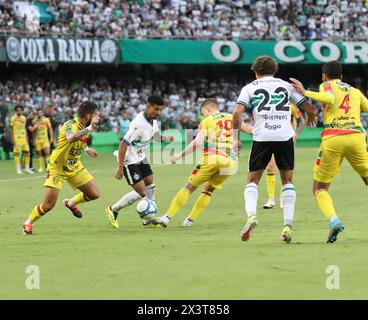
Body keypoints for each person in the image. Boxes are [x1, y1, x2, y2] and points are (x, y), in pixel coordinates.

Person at [232, 55, 316, 243]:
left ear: (256, 71)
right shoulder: (286, 86)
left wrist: (234, 138)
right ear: (275, 70)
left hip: (262, 136)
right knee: (287, 180)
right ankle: (287, 224)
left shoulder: (249, 88)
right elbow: (308, 108)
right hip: (284, 136)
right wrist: (311, 115)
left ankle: (252, 216)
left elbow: (237, 112)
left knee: (252, 180)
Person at [290, 61, 368, 243]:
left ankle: (334, 220)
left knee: (319, 188)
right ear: (341, 76)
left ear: (324, 75)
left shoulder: (326, 85)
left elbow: (330, 99)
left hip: (333, 138)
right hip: (356, 137)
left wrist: (305, 92)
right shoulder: (355, 91)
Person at [158, 98, 253, 227]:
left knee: (189, 187)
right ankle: (189, 221)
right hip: (231, 162)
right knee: (208, 190)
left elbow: (197, 142)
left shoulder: (207, 121)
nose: (203, 115)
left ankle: (167, 217)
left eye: (203, 113)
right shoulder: (232, 117)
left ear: (208, 109)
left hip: (213, 157)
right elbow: (251, 130)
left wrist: (179, 156)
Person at [22, 101, 101, 235]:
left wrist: (87, 149)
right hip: (57, 168)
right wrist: (90, 128)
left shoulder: (84, 126)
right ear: (88, 115)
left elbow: (79, 141)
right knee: (48, 205)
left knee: (94, 194)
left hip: (74, 166)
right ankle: (28, 223)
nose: (97, 117)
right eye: (95, 114)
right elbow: (70, 138)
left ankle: (70, 203)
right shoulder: (70, 125)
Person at [105, 96, 174, 228]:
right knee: (142, 192)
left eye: (160, 110)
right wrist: (120, 167)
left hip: (141, 157)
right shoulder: (139, 123)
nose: (158, 113)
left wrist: (165, 137)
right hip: (129, 160)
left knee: (151, 188)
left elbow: (156, 136)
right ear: (148, 106)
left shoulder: (153, 121)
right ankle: (113, 209)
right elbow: (123, 145)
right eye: (156, 109)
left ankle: (148, 219)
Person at [263, 103, 306, 209]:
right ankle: (271, 199)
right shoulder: (269, 105)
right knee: (270, 167)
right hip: (271, 139)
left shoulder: (291, 106)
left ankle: (284, 198)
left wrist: (295, 136)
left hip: (286, 141)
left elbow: (302, 121)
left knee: (286, 171)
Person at [10, 105, 33, 174]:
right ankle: (18, 168)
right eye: (18, 110)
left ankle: (26, 168)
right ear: (15, 111)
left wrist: (27, 137)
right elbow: (11, 129)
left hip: (23, 138)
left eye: (20, 110)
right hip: (17, 138)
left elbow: (24, 128)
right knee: (17, 153)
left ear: (22, 111)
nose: (19, 111)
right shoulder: (13, 118)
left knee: (27, 152)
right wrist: (12, 138)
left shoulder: (24, 118)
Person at [31, 109, 54, 173]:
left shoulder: (46, 120)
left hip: (45, 139)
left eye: (40, 113)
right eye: (38, 113)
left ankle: (48, 167)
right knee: (39, 154)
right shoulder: (34, 121)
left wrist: (51, 138)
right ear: (36, 114)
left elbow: (50, 129)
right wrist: (33, 140)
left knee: (47, 153)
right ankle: (40, 168)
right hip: (37, 139)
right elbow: (33, 132)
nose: (39, 114)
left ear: (42, 113)